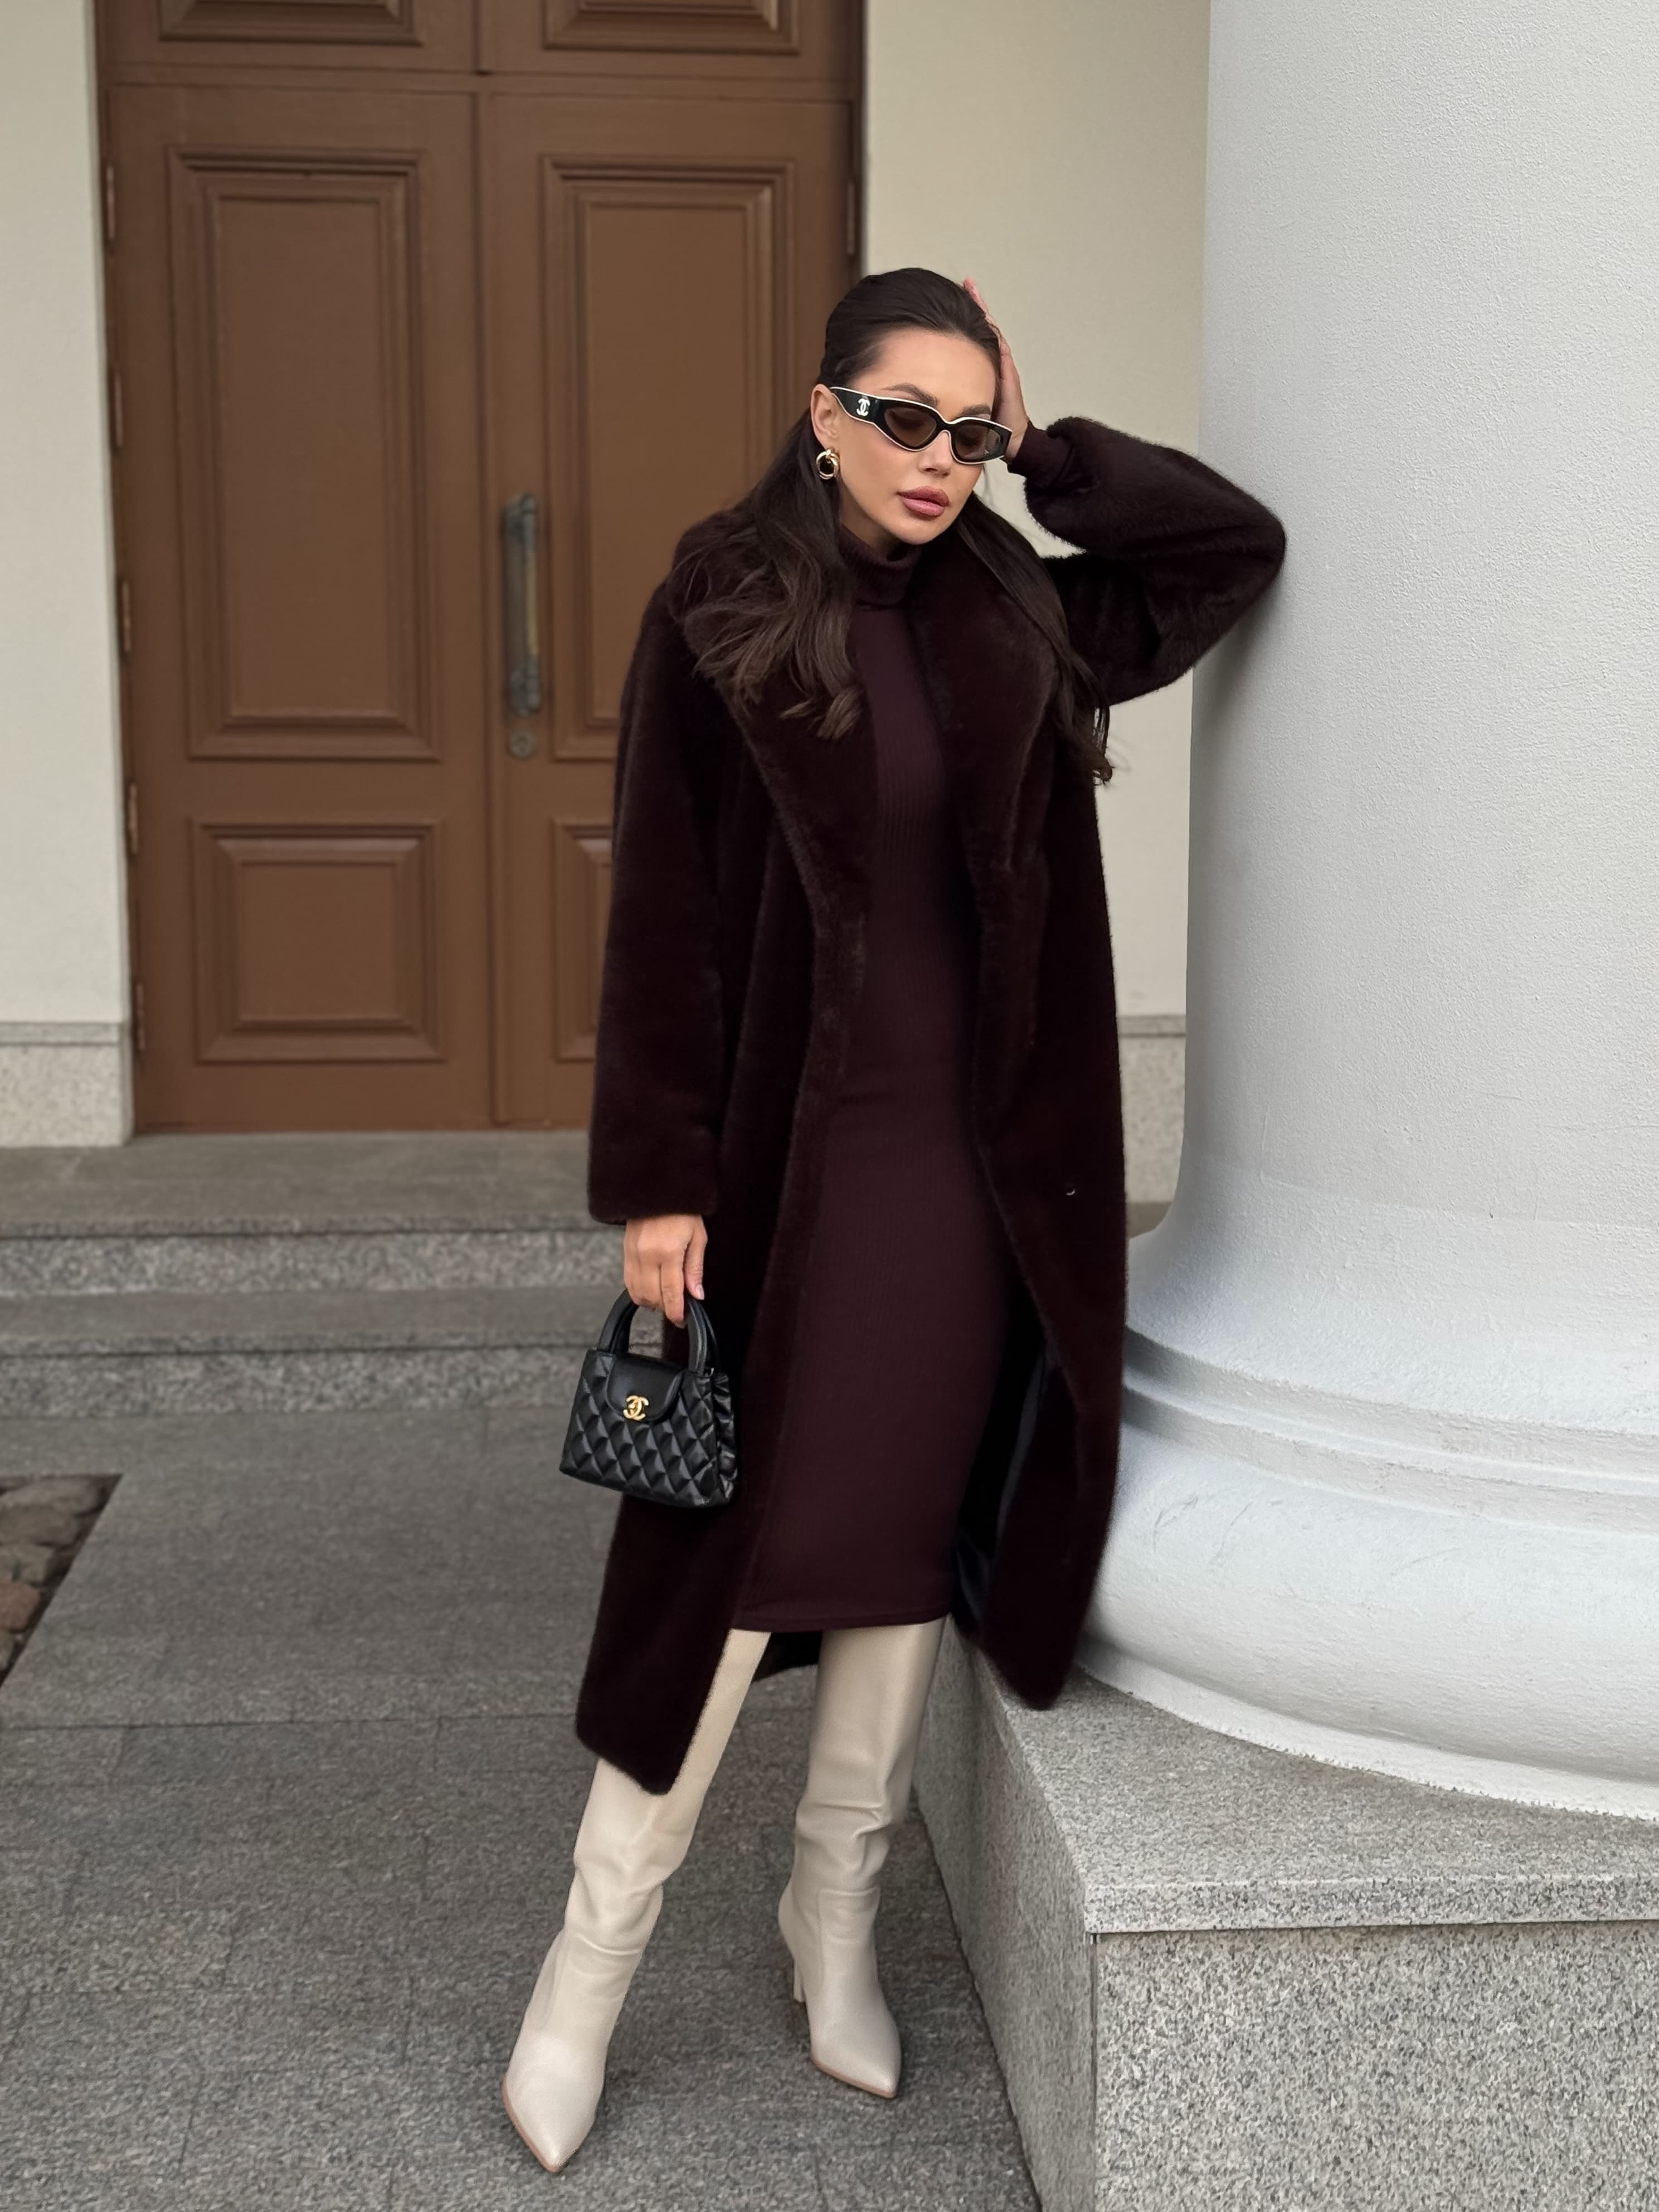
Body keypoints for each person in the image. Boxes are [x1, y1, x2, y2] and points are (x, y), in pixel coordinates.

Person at [502, 268, 1287, 2172]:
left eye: (968, 426)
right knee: (722, 1549)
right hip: (789, 1168)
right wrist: (656, 1179)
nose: (938, 459)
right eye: (905, 418)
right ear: (823, 412)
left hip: (972, 1173)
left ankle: (831, 1915)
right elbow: (664, 917)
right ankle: (586, 1971)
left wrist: (1050, 450)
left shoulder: (1016, 603)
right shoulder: (720, 607)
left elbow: (1225, 551)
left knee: (902, 1546)